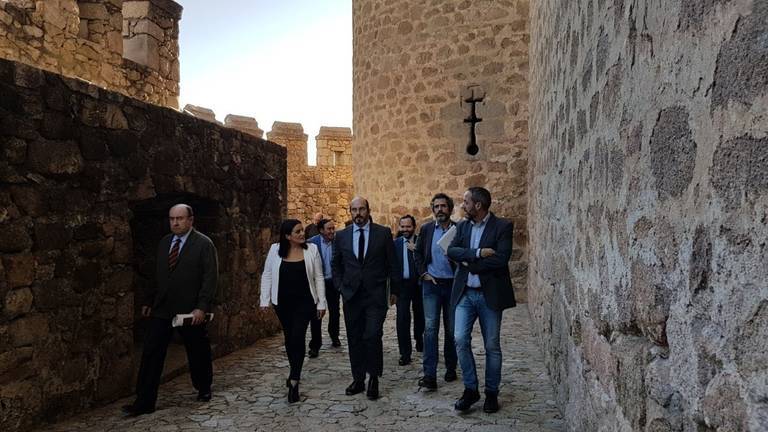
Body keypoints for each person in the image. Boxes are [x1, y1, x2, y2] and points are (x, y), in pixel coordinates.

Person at [122, 204, 218, 416]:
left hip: (189, 310)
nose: (175, 223)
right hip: (163, 308)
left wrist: (201, 307)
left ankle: (203, 387)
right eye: (172, 219)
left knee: (197, 350)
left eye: (180, 218)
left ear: (190, 220)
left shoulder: (203, 244)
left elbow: (210, 278)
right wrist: (149, 300)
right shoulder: (165, 242)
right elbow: (157, 273)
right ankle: (144, 401)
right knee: (151, 352)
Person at [448, 187, 515, 413]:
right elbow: (452, 251)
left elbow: (501, 259)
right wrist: (477, 253)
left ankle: (491, 393)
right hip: (465, 293)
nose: (462, 205)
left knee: (492, 346)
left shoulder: (502, 226)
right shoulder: (462, 226)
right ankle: (470, 389)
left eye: (466, 202)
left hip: (490, 295)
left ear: (478, 205)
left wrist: (470, 264)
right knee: (460, 339)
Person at [332, 197, 401, 400]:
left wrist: (394, 290)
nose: (358, 213)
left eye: (361, 209)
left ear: (368, 210)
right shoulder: (341, 236)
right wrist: (340, 287)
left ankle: (374, 377)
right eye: (354, 210)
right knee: (354, 337)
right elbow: (336, 264)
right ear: (350, 212)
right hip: (351, 295)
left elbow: (393, 263)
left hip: (375, 295)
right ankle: (358, 379)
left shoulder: (383, 233)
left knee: (372, 335)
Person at [260, 219, 327, 403]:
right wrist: (264, 300)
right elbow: (267, 274)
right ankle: (293, 371)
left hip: (305, 303)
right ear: (287, 236)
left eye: (302, 230)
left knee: (298, 336)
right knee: (289, 338)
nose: (302, 234)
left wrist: (321, 303)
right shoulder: (275, 250)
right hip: (282, 303)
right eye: (297, 231)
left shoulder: (312, 250)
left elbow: (319, 276)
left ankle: (295, 380)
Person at [414, 193, 458, 390]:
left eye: (443, 206)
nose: (440, 209)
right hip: (431, 284)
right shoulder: (427, 229)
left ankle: (451, 367)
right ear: (433, 209)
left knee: (451, 329)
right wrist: (423, 273)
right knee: (430, 329)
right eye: (436, 206)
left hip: (452, 285)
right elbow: (417, 253)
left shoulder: (458, 230)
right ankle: (429, 375)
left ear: (450, 208)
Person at [308, 218, 342, 353]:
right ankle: (315, 345)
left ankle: (334, 335)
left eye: (333, 228)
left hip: (333, 282)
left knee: (335, 311)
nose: (332, 231)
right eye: (329, 229)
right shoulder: (311, 243)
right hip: (318, 283)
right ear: (321, 230)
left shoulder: (338, 242)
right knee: (316, 313)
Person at [394, 214, 424, 366]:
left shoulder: (421, 242)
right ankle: (405, 353)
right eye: (403, 226)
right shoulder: (395, 244)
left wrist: (416, 249)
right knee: (402, 319)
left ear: (414, 227)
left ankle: (420, 340)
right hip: (402, 287)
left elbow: (428, 259)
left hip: (419, 285)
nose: (405, 229)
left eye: (408, 226)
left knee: (421, 317)